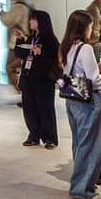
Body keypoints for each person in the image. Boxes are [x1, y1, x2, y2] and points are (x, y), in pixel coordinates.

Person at [58, 9, 101, 199]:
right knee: (91, 145)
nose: (92, 29)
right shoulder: (85, 49)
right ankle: (82, 189)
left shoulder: (66, 46)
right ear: (85, 27)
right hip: (88, 100)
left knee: (79, 143)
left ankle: (81, 185)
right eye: (91, 25)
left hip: (72, 99)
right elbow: (94, 79)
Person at [21, 9, 60, 149]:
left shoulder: (50, 40)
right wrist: (20, 40)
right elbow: (21, 54)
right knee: (29, 108)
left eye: (33, 19)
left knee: (45, 108)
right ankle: (34, 135)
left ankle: (49, 138)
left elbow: (54, 60)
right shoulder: (31, 37)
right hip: (28, 77)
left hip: (43, 79)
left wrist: (40, 53)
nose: (30, 21)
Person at [0, 0, 32, 94]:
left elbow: (8, 21)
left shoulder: (18, 7)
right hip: (28, 42)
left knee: (9, 68)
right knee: (21, 70)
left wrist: (2, 13)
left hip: (17, 44)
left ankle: (24, 93)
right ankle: (25, 93)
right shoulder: (28, 4)